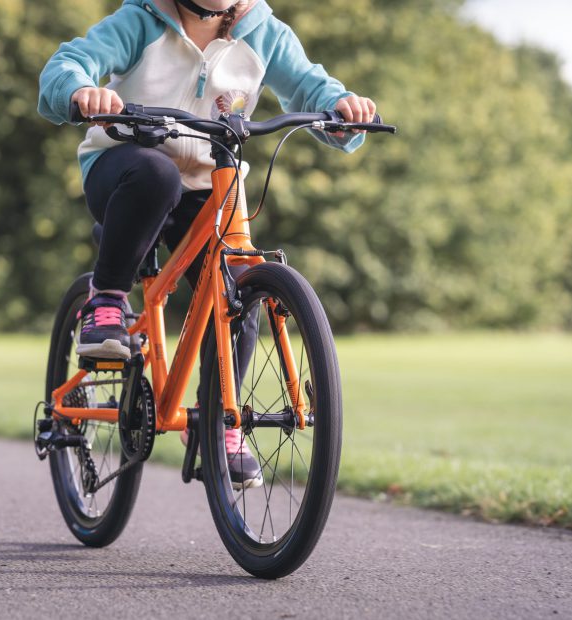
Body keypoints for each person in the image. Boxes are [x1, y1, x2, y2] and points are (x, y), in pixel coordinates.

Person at [38, 0, 376, 488]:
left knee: (240, 286)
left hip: (211, 183)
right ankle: (108, 296)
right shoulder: (140, 22)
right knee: (156, 173)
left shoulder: (264, 34)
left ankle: (219, 421)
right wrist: (81, 90)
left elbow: (308, 83)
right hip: (128, 170)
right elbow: (70, 62)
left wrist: (343, 107)